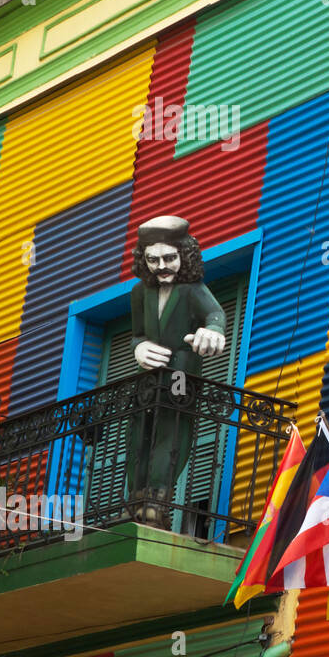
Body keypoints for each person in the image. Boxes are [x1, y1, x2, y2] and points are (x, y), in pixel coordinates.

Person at [126, 216, 226, 523]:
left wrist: (213, 333)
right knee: (138, 436)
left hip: (181, 375)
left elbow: (215, 315)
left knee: (171, 432)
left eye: (169, 258)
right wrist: (138, 348)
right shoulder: (140, 292)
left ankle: (157, 499)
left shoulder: (192, 289)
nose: (161, 266)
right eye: (153, 259)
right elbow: (138, 334)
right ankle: (134, 500)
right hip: (147, 379)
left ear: (184, 255)